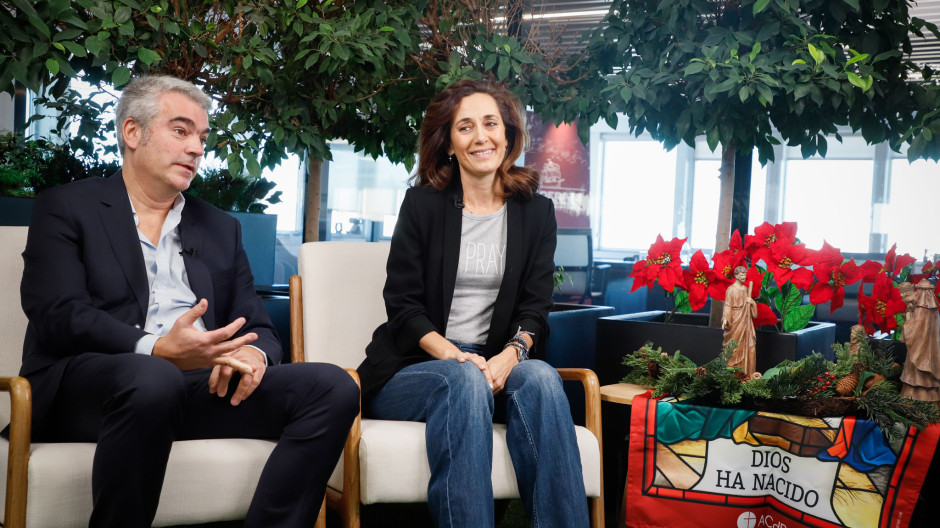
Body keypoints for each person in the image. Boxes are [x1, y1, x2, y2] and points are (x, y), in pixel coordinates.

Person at [19, 75, 359, 528]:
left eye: (201, 137)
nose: (197, 148)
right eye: (181, 131)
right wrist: (157, 348)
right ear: (133, 133)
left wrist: (252, 354)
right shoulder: (66, 207)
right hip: (92, 387)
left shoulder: (219, 227)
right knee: (152, 376)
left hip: (199, 387)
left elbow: (262, 329)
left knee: (333, 387)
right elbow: (56, 313)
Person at [356, 79, 589, 528]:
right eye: (465, 127)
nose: (480, 136)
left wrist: (509, 356)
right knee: (463, 380)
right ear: (449, 144)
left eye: (490, 124)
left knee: (540, 377)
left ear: (508, 136)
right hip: (416, 366)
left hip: (496, 363)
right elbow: (402, 305)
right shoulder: (422, 205)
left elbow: (535, 308)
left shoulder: (535, 212)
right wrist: (459, 357)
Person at [899, 279, 940, 405]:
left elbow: (914, 329)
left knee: (920, 368)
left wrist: (907, 323)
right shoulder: (931, 310)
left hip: (923, 348)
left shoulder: (922, 310)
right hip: (925, 349)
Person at [722, 265, 758, 375]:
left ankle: (748, 374)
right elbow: (728, 306)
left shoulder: (746, 289)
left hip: (746, 319)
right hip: (735, 319)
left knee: (750, 346)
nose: (744, 277)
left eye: (745, 274)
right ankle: (734, 374)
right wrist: (726, 319)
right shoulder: (731, 289)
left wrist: (752, 303)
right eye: (742, 275)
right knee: (734, 347)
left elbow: (754, 315)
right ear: (736, 276)